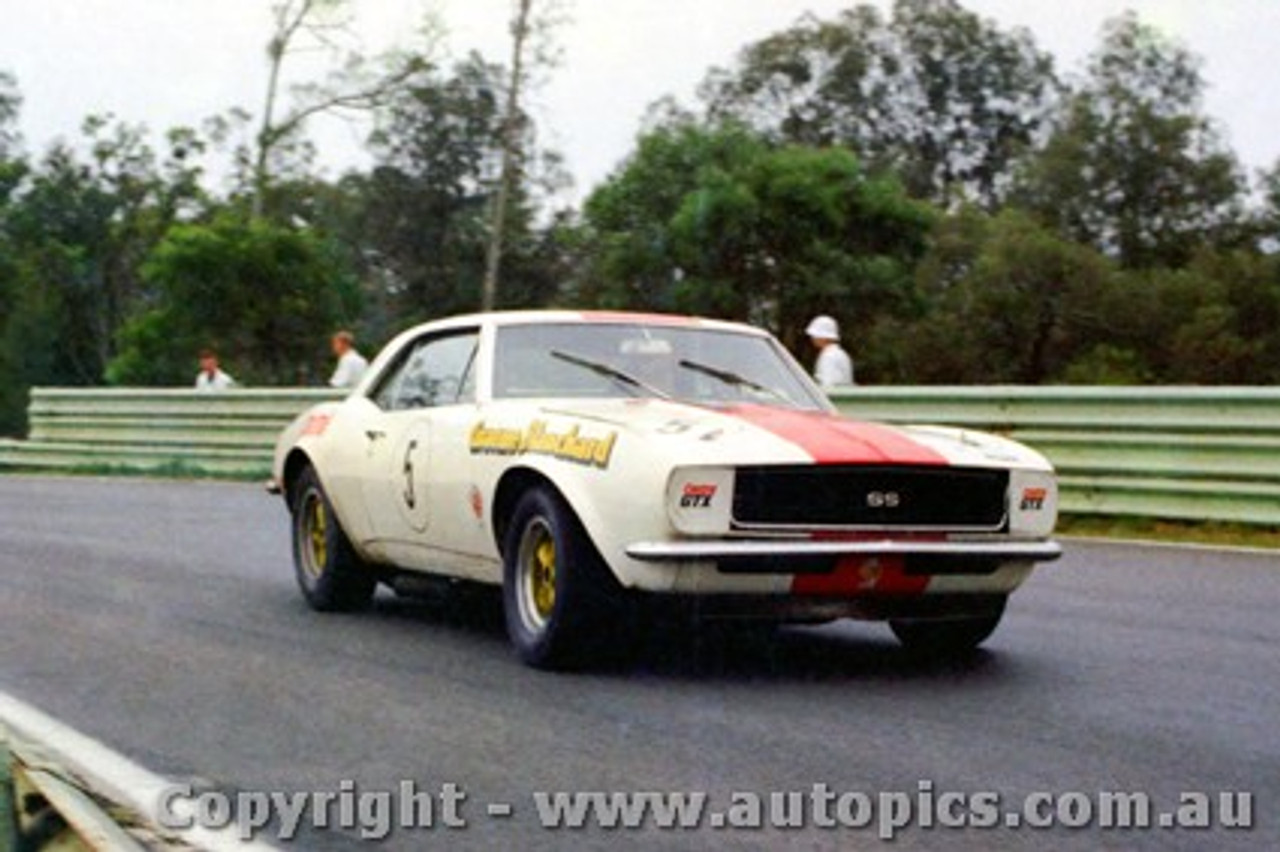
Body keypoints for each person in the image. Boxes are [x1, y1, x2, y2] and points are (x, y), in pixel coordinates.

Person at [805, 315, 854, 388]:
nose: (813, 339)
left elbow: (828, 385)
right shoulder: (840, 353)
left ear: (824, 336)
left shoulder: (829, 356)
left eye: (815, 335)